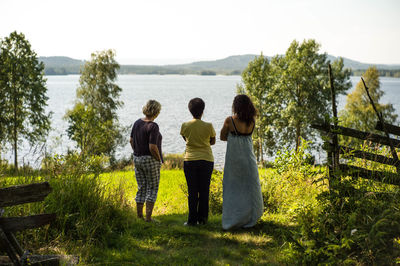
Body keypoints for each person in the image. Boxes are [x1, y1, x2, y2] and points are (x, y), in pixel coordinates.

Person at [220, 94, 263, 230]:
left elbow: (222, 137)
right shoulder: (252, 122)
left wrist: (233, 138)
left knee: (233, 188)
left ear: (236, 106)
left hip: (234, 160)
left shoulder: (229, 121)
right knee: (249, 188)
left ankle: (232, 219)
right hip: (248, 159)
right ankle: (249, 218)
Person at [180, 98, 216, 226]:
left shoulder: (185, 125)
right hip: (206, 159)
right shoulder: (209, 126)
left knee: (192, 191)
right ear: (203, 110)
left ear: (190, 110)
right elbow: (213, 141)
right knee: (204, 190)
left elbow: (186, 139)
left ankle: (191, 220)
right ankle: (203, 220)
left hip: (190, 160)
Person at [130, 100, 163, 222]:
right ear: (156, 111)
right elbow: (152, 147)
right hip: (150, 159)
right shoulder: (153, 126)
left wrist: (137, 152)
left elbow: (131, 141)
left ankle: (139, 217)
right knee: (153, 188)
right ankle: (148, 218)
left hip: (137, 158)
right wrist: (159, 159)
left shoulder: (137, 123)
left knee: (142, 187)